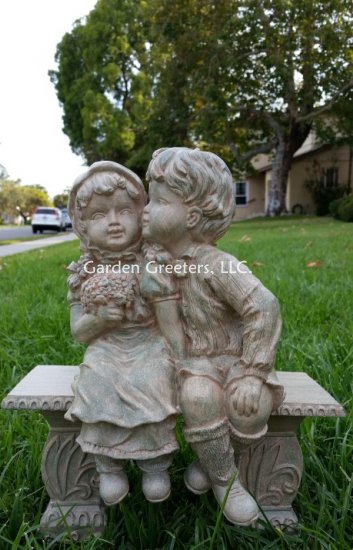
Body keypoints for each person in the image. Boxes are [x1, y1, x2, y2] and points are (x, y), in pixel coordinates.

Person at [142, 147, 284, 526]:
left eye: (157, 200)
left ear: (190, 215)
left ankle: (217, 462)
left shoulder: (217, 264)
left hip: (237, 359)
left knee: (247, 406)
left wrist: (254, 372)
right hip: (192, 363)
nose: (145, 208)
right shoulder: (153, 261)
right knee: (198, 395)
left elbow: (263, 307)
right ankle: (225, 479)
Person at [65, 161, 179, 506]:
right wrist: (100, 320)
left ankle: (155, 463)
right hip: (107, 346)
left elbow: (172, 313)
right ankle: (108, 464)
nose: (114, 222)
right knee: (95, 376)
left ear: (141, 213)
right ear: (82, 226)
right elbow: (79, 332)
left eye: (123, 211)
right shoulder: (82, 272)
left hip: (150, 343)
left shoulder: (153, 260)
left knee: (156, 376)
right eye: (99, 216)